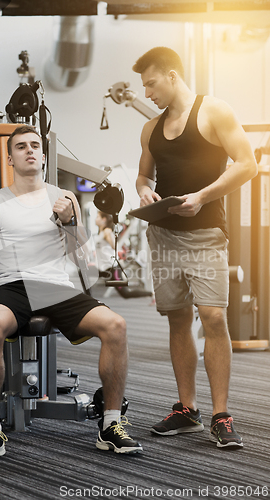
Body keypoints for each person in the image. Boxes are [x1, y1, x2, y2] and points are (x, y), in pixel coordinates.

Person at [0, 125, 142, 462]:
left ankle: (111, 425)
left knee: (116, 325)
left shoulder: (65, 198)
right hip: (10, 285)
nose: (30, 150)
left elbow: (86, 258)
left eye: (35, 145)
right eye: (21, 146)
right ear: (10, 157)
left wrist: (71, 223)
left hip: (56, 286)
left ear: (44, 156)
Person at [133, 47, 257, 448]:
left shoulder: (213, 111)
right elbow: (142, 175)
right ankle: (188, 409)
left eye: (151, 84)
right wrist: (144, 191)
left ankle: (222, 414)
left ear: (172, 76)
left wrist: (202, 196)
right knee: (177, 318)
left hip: (205, 233)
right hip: (163, 234)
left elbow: (246, 164)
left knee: (213, 317)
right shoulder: (150, 128)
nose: (147, 93)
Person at [95, 211, 152, 298]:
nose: (95, 219)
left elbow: (115, 246)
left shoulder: (106, 231)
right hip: (104, 269)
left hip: (112, 269)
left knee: (126, 294)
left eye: (97, 217)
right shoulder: (101, 233)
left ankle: (150, 294)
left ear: (104, 219)